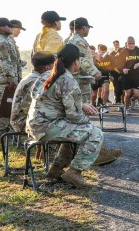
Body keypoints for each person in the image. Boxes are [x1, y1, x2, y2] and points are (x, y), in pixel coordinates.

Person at [27, 44, 103, 189]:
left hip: (34, 125)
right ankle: (74, 172)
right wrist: (87, 122)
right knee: (95, 133)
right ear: (76, 62)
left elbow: (48, 97)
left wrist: (80, 105)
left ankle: (56, 168)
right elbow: (74, 116)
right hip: (46, 128)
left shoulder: (47, 74)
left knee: (73, 131)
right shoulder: (68, 80)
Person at [0, 18, 21, 140]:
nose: (11, 28)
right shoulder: (1, 42)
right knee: (3, 107)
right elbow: (5, 62)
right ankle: (0, 134)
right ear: (1, 27)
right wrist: (12, 79)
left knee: (6, 106)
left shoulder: (6, 40)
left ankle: (3, 132)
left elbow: (12, 60)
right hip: (4, 80)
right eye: (8, 26)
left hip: (4, 79)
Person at [10, 52, 55, 132]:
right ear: (48, 67)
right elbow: (28, 107)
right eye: (54, 65)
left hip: (23, 119)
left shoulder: (33, 77)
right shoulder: (35, 81)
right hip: (22, 122)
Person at [65, 18, 102, 105]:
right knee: (83, 107)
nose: (89, 30)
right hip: (80, 79)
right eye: (88, 28)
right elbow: (81, 59)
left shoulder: (70, 39)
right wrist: (94, 72)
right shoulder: (78, 41)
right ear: (84, 28)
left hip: (74, 78)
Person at [117, 37, 139, 114]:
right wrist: (123, 69)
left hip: (137, 75)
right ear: (126, 43)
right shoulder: (123, 52)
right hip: (126, 75)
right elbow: (117, 64)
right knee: (128, 93)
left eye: (133, 43)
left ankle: (133, 100)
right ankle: (127, 108)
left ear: (135, 43)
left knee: (137, 94)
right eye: (129, 43)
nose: (131, 45)